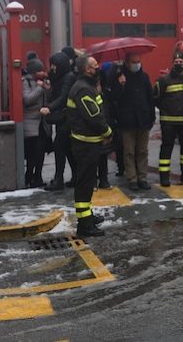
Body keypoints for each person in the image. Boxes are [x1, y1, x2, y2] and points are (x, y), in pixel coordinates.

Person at [66, 55, 112, 237]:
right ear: (87, 69)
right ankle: (84, 224)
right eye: (95, 66)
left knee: (88, 181)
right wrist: (107, 132)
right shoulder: (83, 90)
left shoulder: (88, 87)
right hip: (85, 144)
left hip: (88, 142)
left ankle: (87, 216)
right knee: (85, 183)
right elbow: (94, 117)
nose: (98, 67)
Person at [109, 53, 155, 191]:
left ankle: (143, 177)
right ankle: (132, 178)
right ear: (127, 63)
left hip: (143, 120)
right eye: (134, 61)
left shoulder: (144, 77)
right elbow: (115, 98)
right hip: (127, 121)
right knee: (129, 152)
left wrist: (151, 117)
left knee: (142, 150)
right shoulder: (120, 77)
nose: (137, 64)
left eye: (138, 61)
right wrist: (121, 85)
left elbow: (150, 98)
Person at [154, 53, 183, 186]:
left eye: (181, 61)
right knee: (166, 149)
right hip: (169, 122)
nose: (179, 64)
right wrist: (166, 110)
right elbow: (156, 99)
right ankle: (164, 177)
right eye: (176, 61)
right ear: (173, 63)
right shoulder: (164, 80)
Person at [41, 52, 77, 191]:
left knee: (59, 146)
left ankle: (59, 179)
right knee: (67, 148)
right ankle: (75, 176)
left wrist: (49, 107)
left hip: (68, 118)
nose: (53, 68)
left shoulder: (68, 77)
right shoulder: (62, 76)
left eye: (54, 65)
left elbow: (63, 97)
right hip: (64, 118)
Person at [23, 58, 51, 188]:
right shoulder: (25, 82)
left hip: (43, 124)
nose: (42, 73)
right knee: (31, 153)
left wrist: (47, 88)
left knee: (41, 152)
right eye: (39, 70)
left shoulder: (43, 82)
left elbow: (50, 98)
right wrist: (39, 89)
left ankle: (38, 176)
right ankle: (29, 176)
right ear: (34, 72)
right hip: (31, 123)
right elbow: (27, 100)